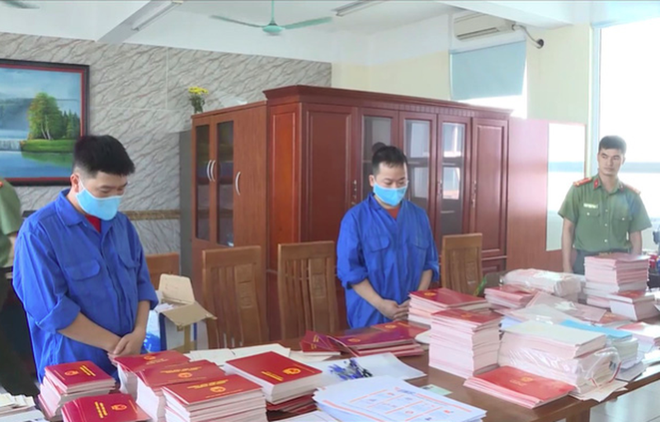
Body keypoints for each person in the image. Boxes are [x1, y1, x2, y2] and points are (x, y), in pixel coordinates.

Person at [13, 135, 158, 382]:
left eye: (120, 189)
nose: (114, 197)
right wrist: (116, 345)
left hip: (130, 359)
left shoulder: (121, 225)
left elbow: (142, 285)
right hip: (74, 367)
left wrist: (139, 333)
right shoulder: (39, 232)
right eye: (105, 190)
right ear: (76, 181)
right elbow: (52, 311)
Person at [337, 145, 439, 328]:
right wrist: (381, 304)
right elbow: (350, 271)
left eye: (401, 182)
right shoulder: (355, 219)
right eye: (388, 182)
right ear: (372, 180)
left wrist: (416, 300)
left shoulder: (419, 216)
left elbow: (429, 264)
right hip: (370, 315)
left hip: (412, 314)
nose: (395, 188)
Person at [559, 135, 652, 274]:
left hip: (619, 263)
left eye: (615, 158)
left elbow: (635, 237)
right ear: (598, 157)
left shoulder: (631, 196)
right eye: (605, 156)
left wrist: (633, 270)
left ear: (623, 160)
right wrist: (566, 266)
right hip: (585, 263)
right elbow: (568, 229)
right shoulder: (579, 190)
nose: (609, 163)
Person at [0, 176, 40, 396]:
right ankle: (28, 396)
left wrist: (27, 275)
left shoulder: (1, 189)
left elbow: (16, 237)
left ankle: (28, 396)